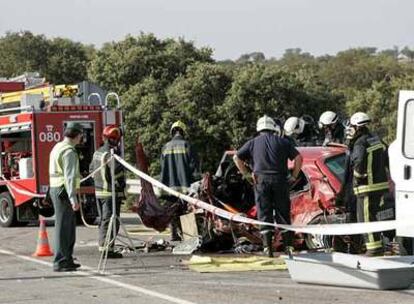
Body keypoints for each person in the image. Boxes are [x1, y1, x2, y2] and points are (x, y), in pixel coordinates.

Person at [233, 115, 303, 257]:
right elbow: (298, 158)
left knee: (264, 213)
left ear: (259, 129)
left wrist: (247, 174)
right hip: (280, 180)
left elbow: (236, 157)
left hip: (261, 181)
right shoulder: (283, 142)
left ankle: (268, 249)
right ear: (273, 129)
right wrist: (294, 176)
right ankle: (288, 248)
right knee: (283, 213)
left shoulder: (252, 143)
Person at [348, 112, 390, 256]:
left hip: (366, 187)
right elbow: (387, 157)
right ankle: (377, 246)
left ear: (357, 127)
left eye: (352, 126)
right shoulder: (376, 139)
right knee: (373, 217)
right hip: (380, 185)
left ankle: (373, 249)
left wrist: (358, 176)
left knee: (365, 218)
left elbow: (359, 161)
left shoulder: (360, 142)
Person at [49, 122, 83, 272]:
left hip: (57, 189)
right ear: (77, 135)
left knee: (66, 227)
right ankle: (61, 260)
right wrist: (73, 199)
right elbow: (69, 177)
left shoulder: (58, 146)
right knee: (64, 228)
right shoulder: (69, 152)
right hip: (63, 191)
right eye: (81, 134)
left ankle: (66, 258)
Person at [160, 120, 200, 241]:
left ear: (172, 132)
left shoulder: (165, 147)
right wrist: (197, 182)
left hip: (169, 187)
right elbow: (194, 167)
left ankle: (173, 234)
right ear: (183, 132)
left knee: (172, 209)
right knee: (187, 210)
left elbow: (162, 166)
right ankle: (188, 236)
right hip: (185, 186)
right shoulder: (187, 145)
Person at [90, 125, 125, 258]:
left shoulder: (98, 152)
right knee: (111, 221)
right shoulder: (111, 154)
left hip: (99, 193)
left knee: (104, 221)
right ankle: (107, 250)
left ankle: (104, 247)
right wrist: (121, 185)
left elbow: (91, 170)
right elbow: (117, 173)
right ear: (115, 139)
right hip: (110, 194)